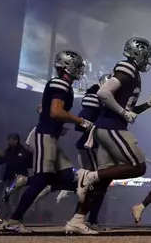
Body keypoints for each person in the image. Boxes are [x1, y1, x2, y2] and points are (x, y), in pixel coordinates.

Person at [2, 50, 95, 234]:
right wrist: (80, 121)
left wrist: (57, 122)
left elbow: (44, 108)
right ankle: (14, 219)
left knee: (71, 179)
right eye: (76, 66)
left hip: (50, 135)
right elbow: (55, 111)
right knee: (42, 179)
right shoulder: (60, 83)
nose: (79, 70)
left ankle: (27, 181)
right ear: (67, 67)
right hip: (46, 136)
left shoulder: (59, 84)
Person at [75, 38, 151, 214]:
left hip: (110, 126)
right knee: (138, 166)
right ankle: (88, 175)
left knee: (104, 180)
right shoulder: (127, 67)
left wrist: (146, 105)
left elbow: (127, 108)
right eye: (146, 56)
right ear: (138, 53)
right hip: (112, 127)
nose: (147, 60)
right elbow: (103, 92)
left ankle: (79, 219)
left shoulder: (133, 71)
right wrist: (122, 113)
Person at [56, 73, 113, 231]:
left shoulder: (105, 100)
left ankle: (89, 219)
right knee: (96, 184)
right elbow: (81, 123)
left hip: (98, 147)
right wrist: (95, 129)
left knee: (98, 184)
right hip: (91, 146)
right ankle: (83, 218)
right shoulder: (94, 97)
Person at [0, 134, 32, 204]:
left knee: (15, 199)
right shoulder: (8, 151)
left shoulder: (23, 151)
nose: (8, 142)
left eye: (10, 140)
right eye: (8, 140)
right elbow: (1, 162)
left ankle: (14, 213)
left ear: (16, 141)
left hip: (19, 179)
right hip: (9, 178)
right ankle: (6, 213)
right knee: (5, 198)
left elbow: (18, 162)